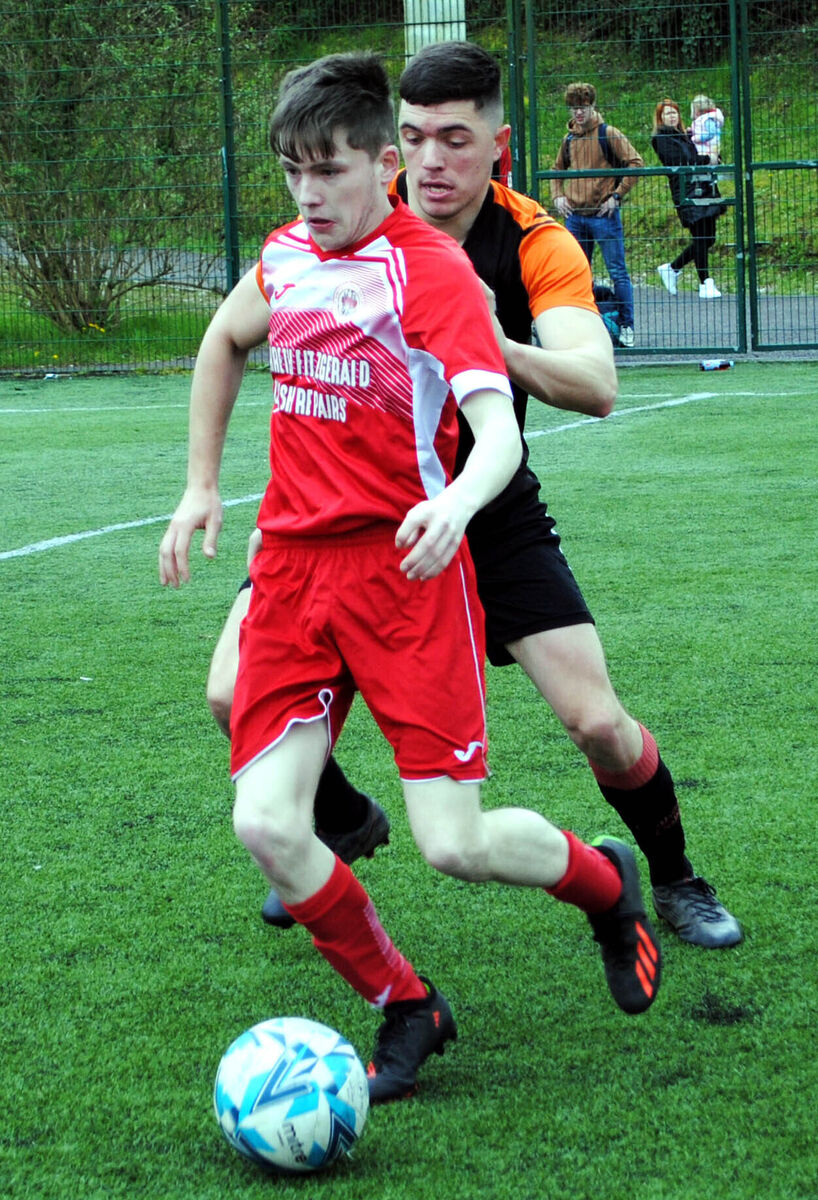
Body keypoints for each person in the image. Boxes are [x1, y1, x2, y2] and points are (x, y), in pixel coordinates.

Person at [159, 51, 663, 1106]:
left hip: (402, 576)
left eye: (330, 170)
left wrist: (455, 502)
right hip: (295, 571)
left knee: (454, 845)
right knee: (263, 823)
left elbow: (494, 434)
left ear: (379, 167)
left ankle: (605, 881)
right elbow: (222, 339)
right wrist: (200, 486)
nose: (308, 193)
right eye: (293, 170)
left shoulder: (427, 271)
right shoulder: (287, 254)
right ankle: (407, 1004)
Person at [209, 42, 741, 955]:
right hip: (351, 529)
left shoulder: (533, 237)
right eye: (413, 140)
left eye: (455, 140)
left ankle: (674, 876)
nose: (431, 162)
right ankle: (337, 823)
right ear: (388, 149)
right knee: (228, 694)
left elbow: (595, 382)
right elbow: (233, 331)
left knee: (596, 722)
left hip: (484, 511)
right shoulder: (341, 218)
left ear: (498, 141)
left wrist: (486, 346)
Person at [549, 81, 642, 348]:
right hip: (575, 217)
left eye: (584, 107)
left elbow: (635, 163)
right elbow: (556, 170)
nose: (579, 113)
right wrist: (558, 195)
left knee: (618, 272)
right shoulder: (568, 139)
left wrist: (617, 195)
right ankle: (582, 329)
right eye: (574, 108)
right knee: (576, 273)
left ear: (593, 106)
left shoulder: (607, 133)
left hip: (604, 215)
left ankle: (626, 326)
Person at [653, 99, 724, 300]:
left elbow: (696, 155)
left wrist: (713, 158)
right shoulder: (661, 138)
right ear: (660, 118)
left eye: (674, 112)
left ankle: (672, 268)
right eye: (667, 113)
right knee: (701, 236)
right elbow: (679, 161)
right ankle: (705, 283)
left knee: (709, 237)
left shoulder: (685, 135)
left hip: (703, 188)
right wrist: (705, 160)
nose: (672, 116)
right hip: (687, 192)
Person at [689, 94, 725, 165]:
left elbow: (711, 133)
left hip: (708, 148)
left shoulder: (707, 119)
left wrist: (698, 138)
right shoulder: (703, 119)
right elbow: (701, 129)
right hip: (704, 147)